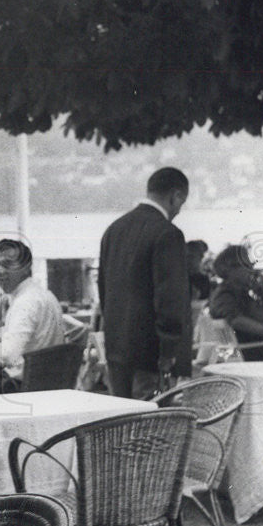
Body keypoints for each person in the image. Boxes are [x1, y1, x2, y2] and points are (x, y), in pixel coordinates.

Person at [98, 167, 193, 400]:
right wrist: (169, 351)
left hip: (117, 348)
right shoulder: (168, 233)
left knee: (120, 422)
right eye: (181, 203)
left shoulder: (114, 229)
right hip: (152, 355)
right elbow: (171, 298)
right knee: (151, 426)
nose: (178, 210)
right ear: (176, 196)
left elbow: (103, 288)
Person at [0, 239, 65, 395]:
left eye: (7, 264)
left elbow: (9, 354)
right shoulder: (43, 295)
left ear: (25, 268)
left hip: (21, 387)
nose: (0, 271)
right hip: (47, 383)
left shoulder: (25, 302)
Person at [208, 243, 263, 361]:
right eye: (246, 265)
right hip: (253, 353)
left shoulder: (241, 292)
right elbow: (235, 320)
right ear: (230, 269)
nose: (251, 270)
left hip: (260, 350)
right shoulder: (225, 294)